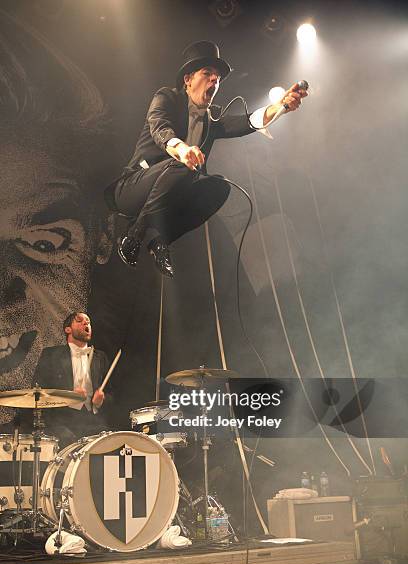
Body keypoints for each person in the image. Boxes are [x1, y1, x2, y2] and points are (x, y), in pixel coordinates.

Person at [106, 40, 307, 277]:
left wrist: (281, 106)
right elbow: (159, 127)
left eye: (218, 77)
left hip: (169, 196)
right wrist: (182, 149)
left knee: (218, 186)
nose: (215, 80)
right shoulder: (167, 97)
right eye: (207, 73)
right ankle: (134, 234)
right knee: (187, 163)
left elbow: (248, 121)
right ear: (188, 79)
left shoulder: (213, 118)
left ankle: (160, 242)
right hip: (132, 188)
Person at [0, 11, 114, 425]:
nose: (2, 293)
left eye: (45, 243)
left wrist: (95, 400)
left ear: (102, 238)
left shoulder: (94, 358)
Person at [31, 312, 111, 442]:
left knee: (108, 445)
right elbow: (39, 391)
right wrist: (69, 396)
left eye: (88, 321)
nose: (86, 323)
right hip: (63, 421)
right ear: (68, 329)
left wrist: (102, 400)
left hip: (94, 420)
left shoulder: (100, 357)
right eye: (79, 320)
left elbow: (114, 393)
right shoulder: (51, 354)